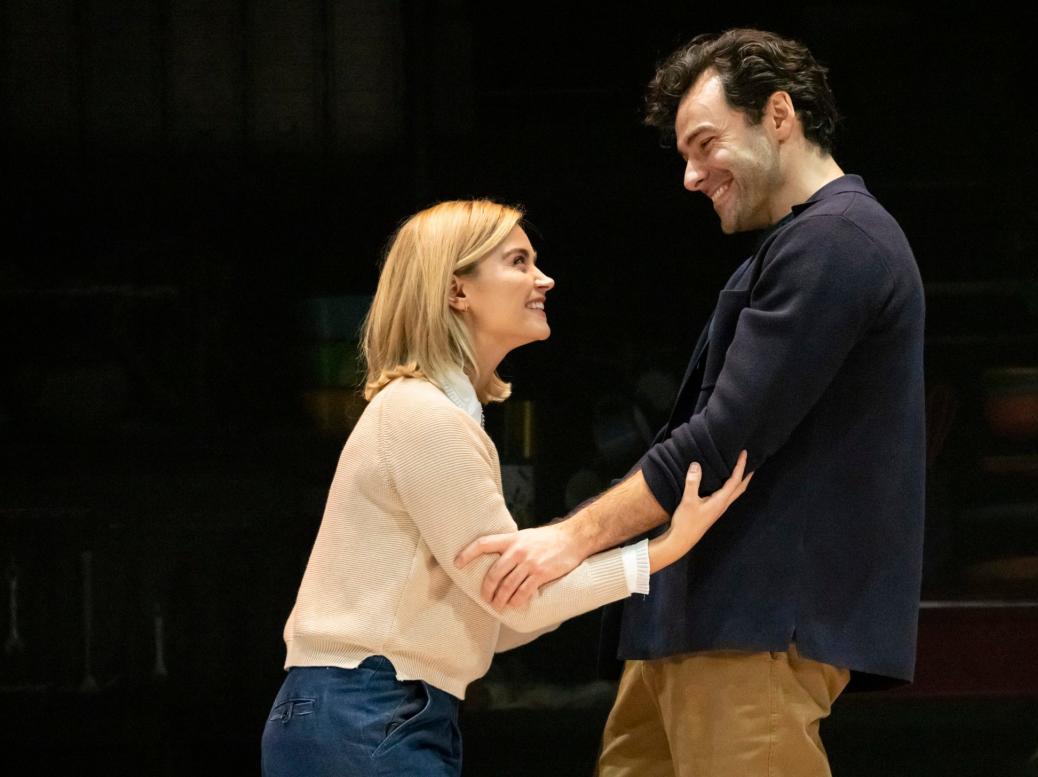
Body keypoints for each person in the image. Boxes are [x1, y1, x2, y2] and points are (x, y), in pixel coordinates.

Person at [455, 29, 926, 777]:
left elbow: (723, 439)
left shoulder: (840, 241)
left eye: (705, 144)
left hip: (754, 624)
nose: (691, 175)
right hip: (698, 622)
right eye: (684, 154)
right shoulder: (806, 244)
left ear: (779, 115)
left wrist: (570, 539)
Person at [260, 199, 752, 777]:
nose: (543, 278)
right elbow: (512, 599)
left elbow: (503, 619)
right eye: (518, 262)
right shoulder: (425, 416)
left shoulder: (433, 413)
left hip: (368, 709)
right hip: (370, 709)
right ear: (457, 291)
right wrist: (661, 550)